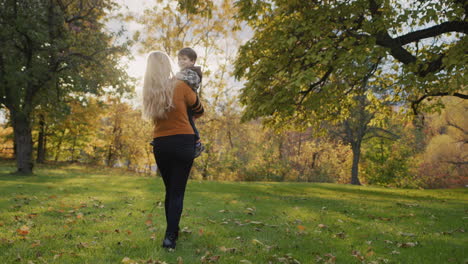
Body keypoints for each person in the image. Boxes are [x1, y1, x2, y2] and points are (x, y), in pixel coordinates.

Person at [142, 51, 204, 249]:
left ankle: (172, 231)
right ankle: (170, 236)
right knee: (177, 192)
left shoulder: (149, 91)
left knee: (170, 190)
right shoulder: (181, 85)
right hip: (183, 142)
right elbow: (200, 109)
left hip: (160, 144)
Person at [175, 47, 205, 158]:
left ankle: (197, 143)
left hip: (189, 104)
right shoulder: (183, 72)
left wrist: (176, 77)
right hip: (182, 101)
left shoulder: (194, 72)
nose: (181, 61)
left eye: (184, 59)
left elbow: (191, 81)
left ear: (192, 61)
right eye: (179, 59)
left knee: (190, 123)